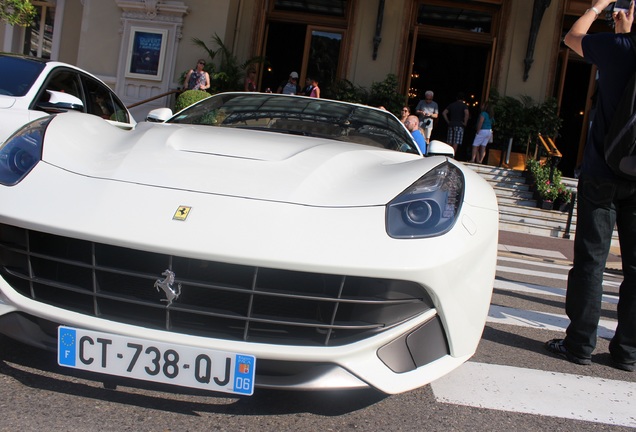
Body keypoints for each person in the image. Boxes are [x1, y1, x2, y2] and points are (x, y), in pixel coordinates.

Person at [544, 0, 636, 373]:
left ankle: (580, 343)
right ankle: (627, 352)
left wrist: (598, 7)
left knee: (591, 261)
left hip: (602, 172)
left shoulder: (619, 49)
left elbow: (572, 37)